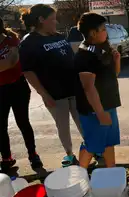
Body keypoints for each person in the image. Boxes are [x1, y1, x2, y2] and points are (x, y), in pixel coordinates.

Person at [19, 4, 82, 167]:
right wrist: (44, 94)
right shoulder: (29, 42)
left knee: (83, 121)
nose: (56, 22)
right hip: (54, 93)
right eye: (52, 19)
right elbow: (28, 72)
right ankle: (69, 155)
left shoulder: (58, 36)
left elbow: (71, 58)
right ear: (41, 20)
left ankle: (92, 148)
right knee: (63, 126)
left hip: (74, 88)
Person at [74, 12, 121, 169]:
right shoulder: (85, 55)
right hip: (94, 110)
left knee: (109, 141)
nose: (106, 32)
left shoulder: (101, 49)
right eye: (103, 29)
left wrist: (116, 61)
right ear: (93, 33)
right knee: (92, 145)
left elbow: (114, 75)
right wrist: (100, 113)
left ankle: (111, 171)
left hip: (108, 104)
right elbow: (89, 88)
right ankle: (79, 176)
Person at [0, 18, 43, 171]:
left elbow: (11, 62)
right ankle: (6, 158)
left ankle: (33, 155)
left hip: (18, 87)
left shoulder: (12, 41)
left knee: (23, 122)